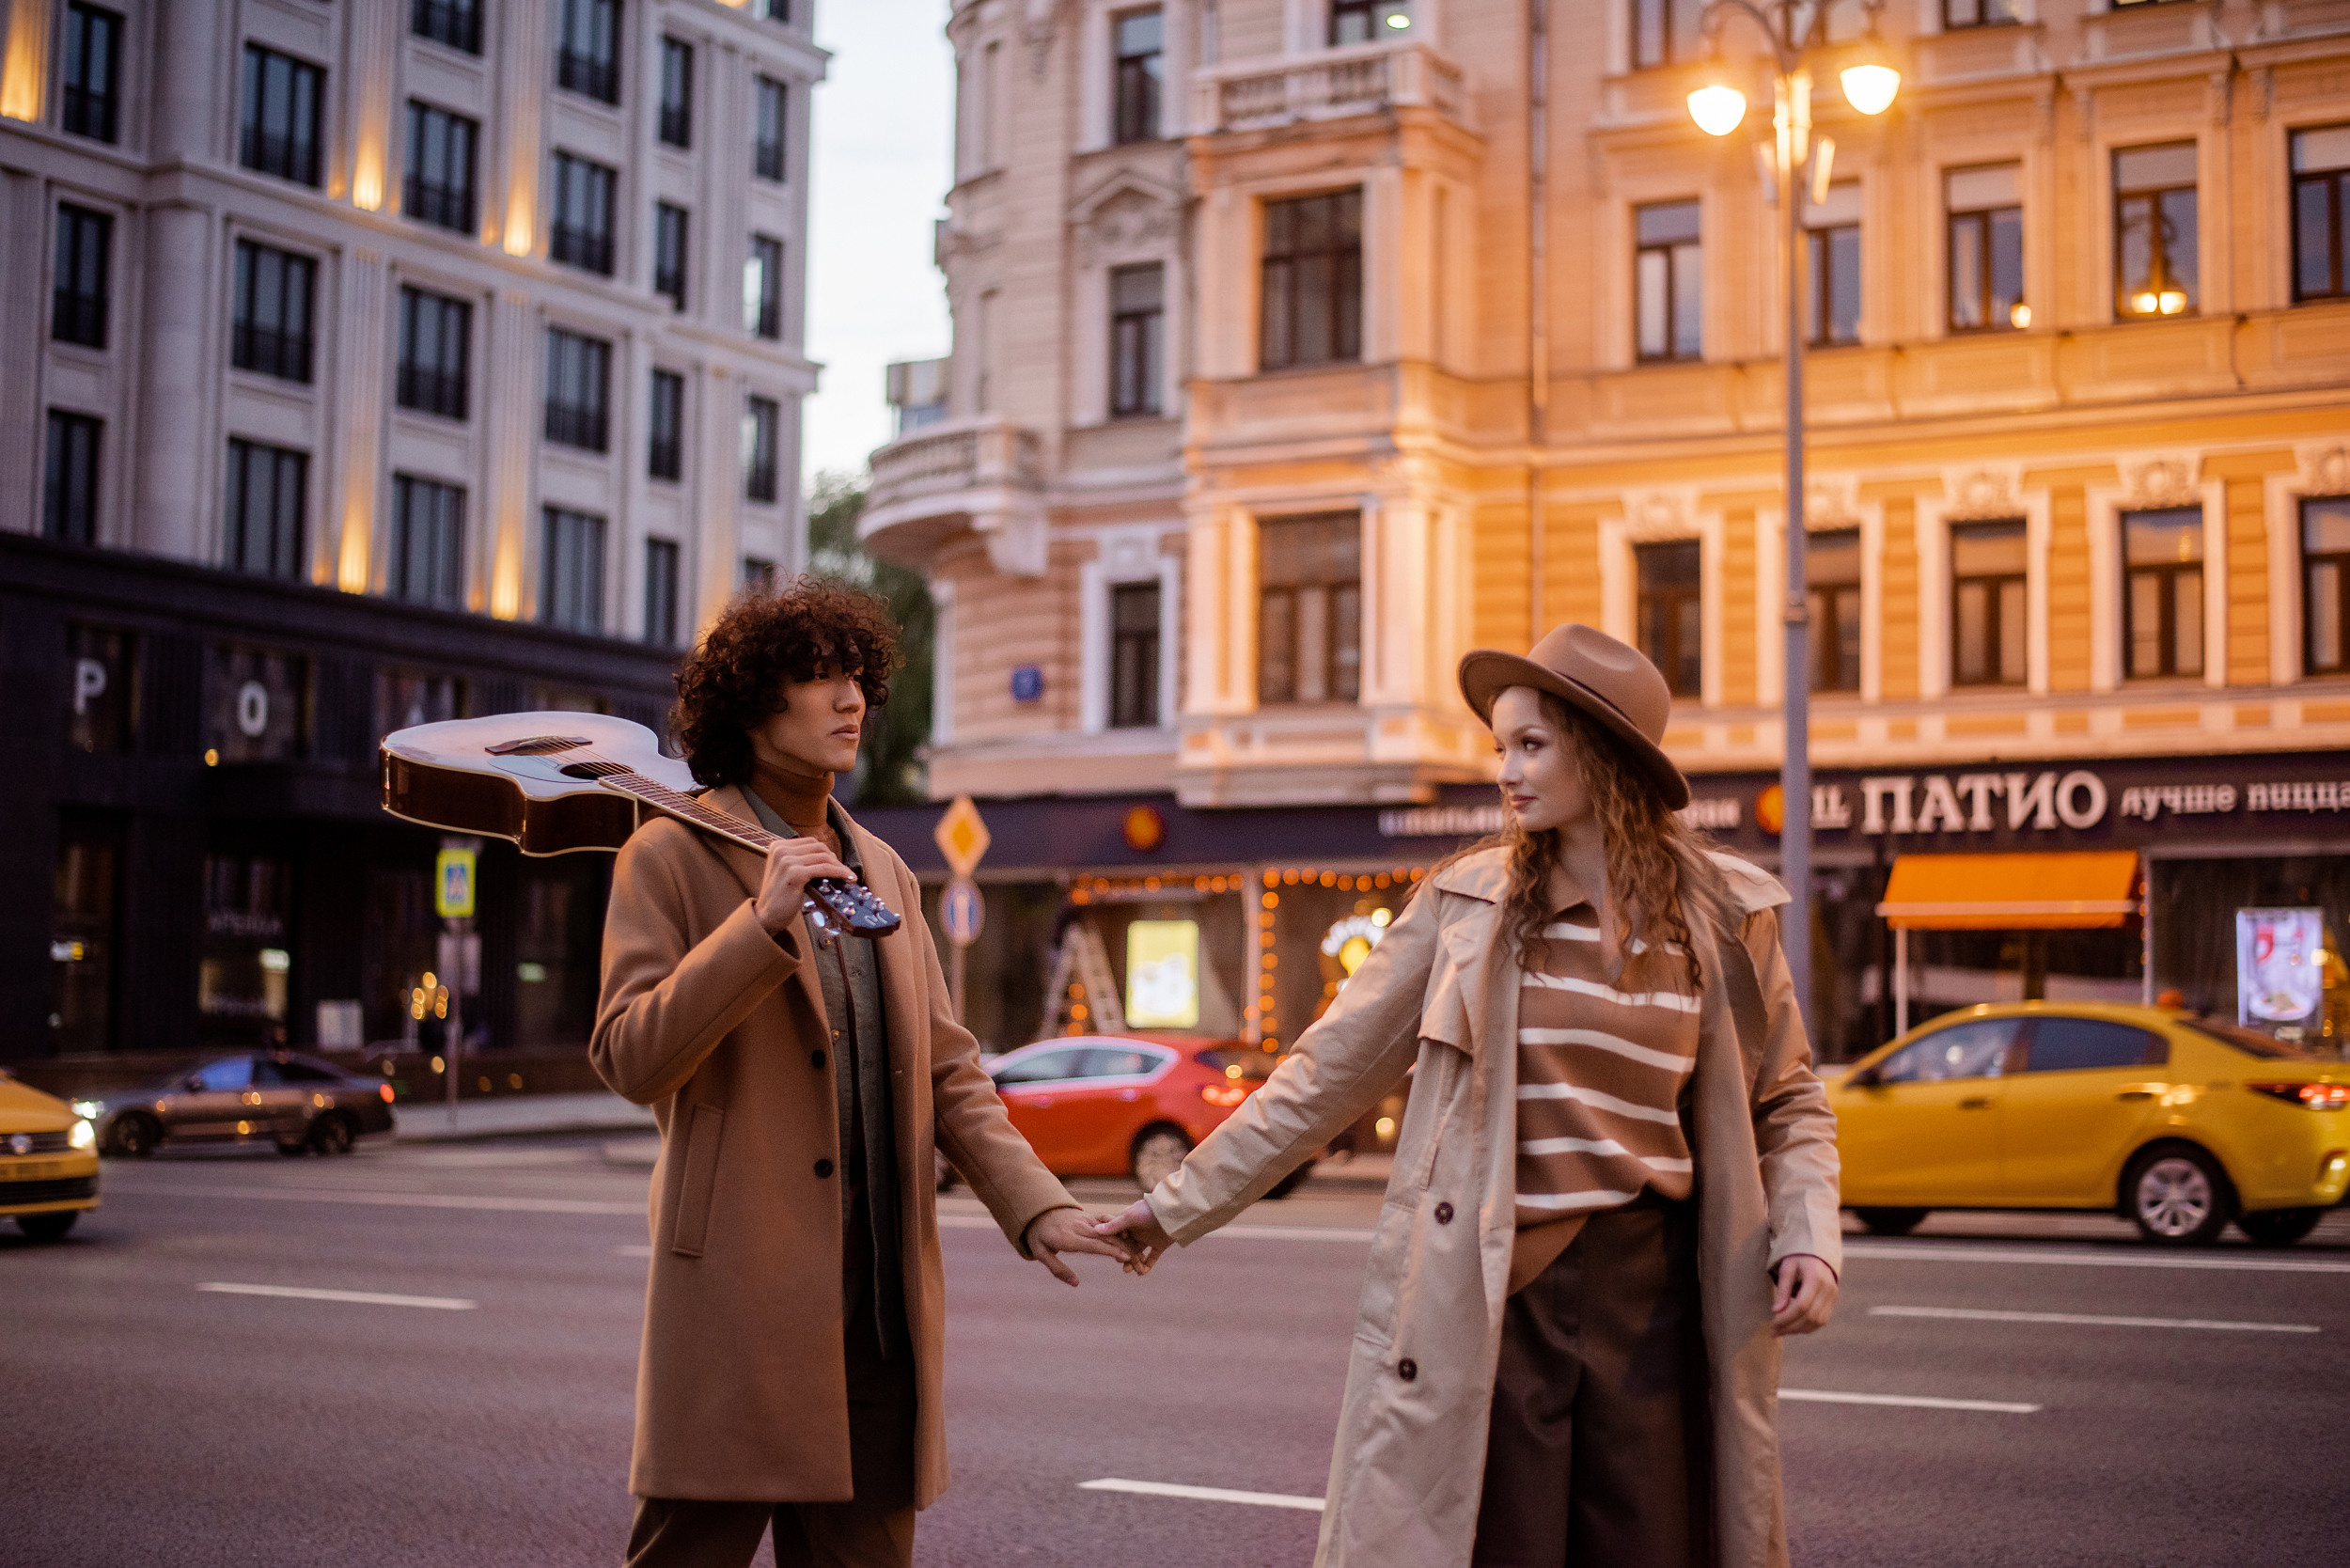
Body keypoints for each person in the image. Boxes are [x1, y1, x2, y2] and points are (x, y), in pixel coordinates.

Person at [1099, 623, 1843, 1568]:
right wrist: (1173, 1210)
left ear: (1602, 754)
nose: (1505, 772)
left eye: (1530, 745)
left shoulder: (1726, 918)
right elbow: (1323, 1078)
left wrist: (1808, 1234)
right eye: (1500, 747)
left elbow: (1789, 1101)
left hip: (1658, 1309)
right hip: (1498, 1300)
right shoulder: (1467, 906)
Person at [589, 578, 1129, 1568]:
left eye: (856, 679)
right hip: (741, 1310)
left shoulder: (882, 866)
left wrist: (1037, 1206)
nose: (849, 702)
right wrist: (759, 927)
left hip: (879, 1318)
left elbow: (950, 1071)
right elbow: (630, 1055)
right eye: (816, 679)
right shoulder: (667, 855)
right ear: (753, 705)